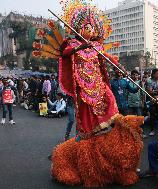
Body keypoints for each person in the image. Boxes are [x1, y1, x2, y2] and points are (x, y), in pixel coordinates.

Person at [43, 1, 144, 187]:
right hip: (82, 84)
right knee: (87, 112)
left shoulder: (97, 45)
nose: (88, 29)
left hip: (98, 81)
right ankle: (88, 135)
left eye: (91, 27)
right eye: (85, 27)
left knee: (110, 99)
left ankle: (109, 126)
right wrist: (80, 48)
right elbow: (65, 52)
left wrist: (119, 65)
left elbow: (108, 59)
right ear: (78, 28)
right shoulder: (72, 43)